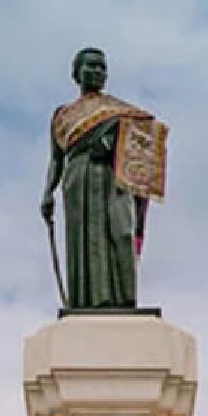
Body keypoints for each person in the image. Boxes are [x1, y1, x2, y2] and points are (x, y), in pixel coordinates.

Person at [41, 47, 168, 309]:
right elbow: (56, 159)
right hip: (78, 177)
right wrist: (47, 192)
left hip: (114, 177)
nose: (98, 72)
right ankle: (86, 301)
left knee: (120, 232)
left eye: (102, 67)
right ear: (77, 73)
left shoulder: (119, 111)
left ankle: (123, 299)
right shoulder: (63, 115)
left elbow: (142, 139)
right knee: (84, 240)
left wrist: (113, 142)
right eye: (91, 66)